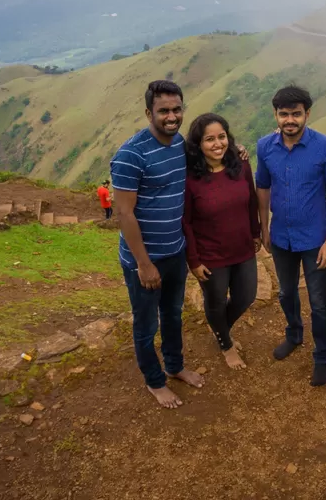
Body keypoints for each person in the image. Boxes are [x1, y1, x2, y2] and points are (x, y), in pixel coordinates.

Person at [110, 79, 207, 410]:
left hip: (175, 251)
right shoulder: (130, 155)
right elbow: (123, 213)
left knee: (173, 314)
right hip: (144, 259)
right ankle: (154, 381)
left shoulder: (179, 145)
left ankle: (175, 365)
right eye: (163, 110)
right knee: (146, 322)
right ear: (148, 112)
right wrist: (144, 263)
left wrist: (235, 150)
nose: (171, 116)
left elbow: (210, 156)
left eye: (176, 109)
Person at [256, 85, 326, 387]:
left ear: (307, 114)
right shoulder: (265, 147)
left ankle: (322, 355)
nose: (289, 120)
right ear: (276, 115)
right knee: (286, 292)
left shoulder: (325, 147)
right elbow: (263, 187)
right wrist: (264, 227)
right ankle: (294, 334)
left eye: (296, 114)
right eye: (284, 114)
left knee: (319, 301)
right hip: (282, 237)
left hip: (315, 240)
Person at [182, 113, 261, 370]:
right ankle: (225, 343)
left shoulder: (240, 165)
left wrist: (255, 232)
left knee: (246, 296)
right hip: (211, 255)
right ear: (198, 144)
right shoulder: (190, 178)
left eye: (222, 137)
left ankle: (219, 328)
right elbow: (186, 222)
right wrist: (193, 260)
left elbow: (251, 200)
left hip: (242, 247)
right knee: (215, 301)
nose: (218, 144)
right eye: (209, 139)